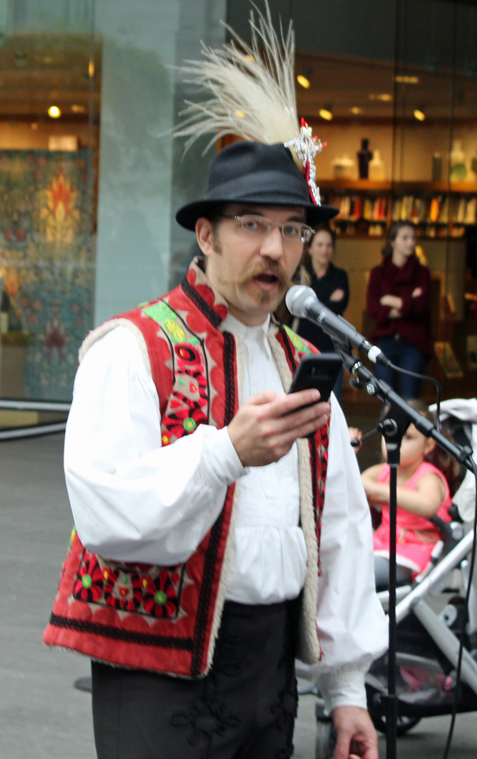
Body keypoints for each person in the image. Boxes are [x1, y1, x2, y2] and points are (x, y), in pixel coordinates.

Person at [43, 9, 387, 759]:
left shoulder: (303, 365)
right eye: (252, 225)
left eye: (292, 229)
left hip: (268, 671)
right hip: (158, 678)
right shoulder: (133, 348)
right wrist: (224, 451)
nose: (275, 248)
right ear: (206, 235)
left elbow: (338, 528)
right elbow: (105, 508)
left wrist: (348, 688)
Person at [361, 401, 458, 591]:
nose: (395, 441)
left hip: (412, 553)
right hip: (382, 543)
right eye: (389, 433)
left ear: (428, 445)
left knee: (359, 572)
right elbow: (360, 485)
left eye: (407, 437)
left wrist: (380, 493)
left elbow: (427, 505)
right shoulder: (384, 471)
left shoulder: (427, 476)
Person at [365, 221, 431, 399]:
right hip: (385, 341)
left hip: (414, 342)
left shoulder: (422, 273)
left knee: (411, 401)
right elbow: (374, 310)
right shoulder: (378, 273)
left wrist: (389, 300)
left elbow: (421, 307)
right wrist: (408, 301)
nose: (411, 242)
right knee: (386, 398)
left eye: (413, 238)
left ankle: (410, 429)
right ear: (392, 242)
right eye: (405, 238)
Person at [296, 225, 349, 403]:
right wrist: (327, 299)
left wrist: (312, 300)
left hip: (331, 347)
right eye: (319, 244)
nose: (324, 250)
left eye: (328, 245)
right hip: (302, 345)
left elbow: (338, 307)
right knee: (302, 397)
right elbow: (298, 306)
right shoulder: (298, 274)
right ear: (309, 248)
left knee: (333, 401)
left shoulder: (340, 276)